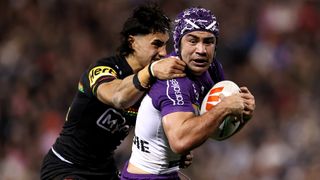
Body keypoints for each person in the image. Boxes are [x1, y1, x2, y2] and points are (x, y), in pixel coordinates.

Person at [40, 4, 189, 180]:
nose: (163, 53)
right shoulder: (104, 69)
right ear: (132, 41)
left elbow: (157, 131)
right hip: (66, 167)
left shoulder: (154, 85)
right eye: (156, 44)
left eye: (165, 45)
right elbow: (118, 97)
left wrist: (175, 152)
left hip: (105, 172)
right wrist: (150, 71)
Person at [120, 7, 256, 180]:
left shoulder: (212, 68)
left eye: (208, 42)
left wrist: (243, 115)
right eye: (193, 41)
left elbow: (217, 131)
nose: (201, 50)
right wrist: (224, 108)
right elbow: (180, 141)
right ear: (178, 43)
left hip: (170, 173)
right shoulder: (172, 79)